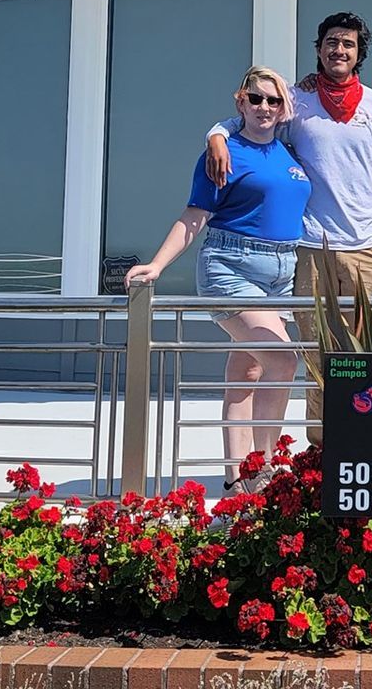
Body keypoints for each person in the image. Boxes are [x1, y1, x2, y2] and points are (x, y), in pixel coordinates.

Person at [206, 12, 372, 442]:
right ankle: (322, 447)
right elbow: (248, 121)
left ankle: (369, 442)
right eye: (331, 42)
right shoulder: (296, 101)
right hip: (311, 248)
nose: (339, 50)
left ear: (358, 53)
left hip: (367, 246)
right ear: (319, 48)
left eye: (348, 44)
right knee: (319, 353)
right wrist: (216, 135)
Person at [129, 67, 309, 485]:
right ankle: (265, 475)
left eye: (274, 100)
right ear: (240, 100)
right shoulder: (224, 152)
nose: (265, 106)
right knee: (283, 361)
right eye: (256, 98)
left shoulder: (289, 152)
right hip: (231, 266)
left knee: (247, 373)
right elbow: (195, 215)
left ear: (284, 108)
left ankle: (234, 481)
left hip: (281, 274)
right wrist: (157, 265)